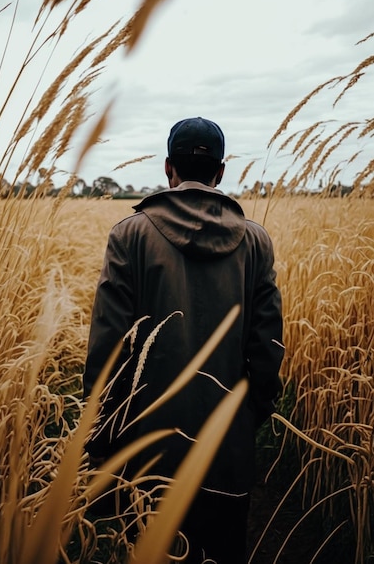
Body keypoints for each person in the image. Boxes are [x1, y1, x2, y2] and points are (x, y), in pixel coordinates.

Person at [83, 116, 284, 563]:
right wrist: (249, 418)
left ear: (168, 168)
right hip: (225, 449)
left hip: (146, 452)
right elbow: (267, 350)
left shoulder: (129, 236)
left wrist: (102, 438)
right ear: (221, 172)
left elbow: (109, 348)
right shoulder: (256, 242)